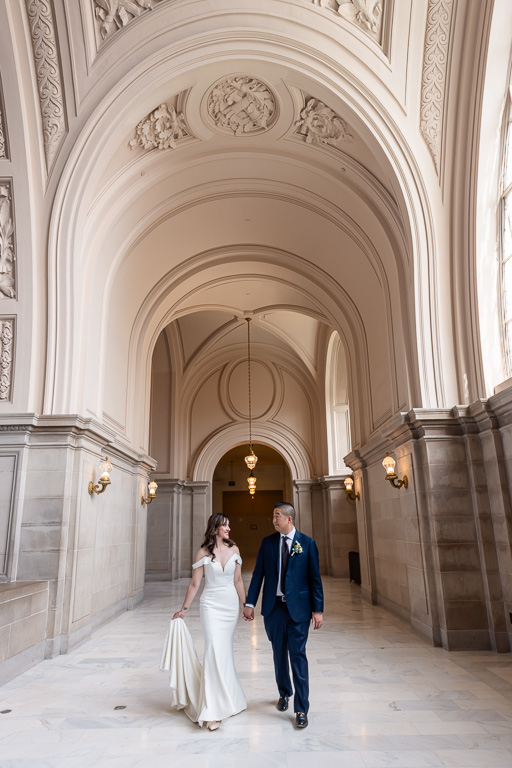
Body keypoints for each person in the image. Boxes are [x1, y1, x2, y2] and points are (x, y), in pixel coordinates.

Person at [243, 502, 323, 729]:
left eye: (277, 516)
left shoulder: (307, 543)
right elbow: (258, 574)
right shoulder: (267, 543)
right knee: (279, 653)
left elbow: (314, 579)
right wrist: (250, 602)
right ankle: (284, 693)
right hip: (274, 609)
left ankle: (301, 709)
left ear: (289, 519)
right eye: (273, 516)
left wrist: (318, 610)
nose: (273, 520)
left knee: (297, 655)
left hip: (299, 610)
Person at [169, 513, 247, 731]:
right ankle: (212, 710)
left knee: (224, 652)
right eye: (225, 525)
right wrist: (184, 610)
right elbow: (195, 584)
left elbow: (238, 580)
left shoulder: (235, 549)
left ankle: (230, 698)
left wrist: (246, 605)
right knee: (213, 649)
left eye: (229, 525)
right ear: (215, 529)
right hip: (211, 605)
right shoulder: (202, 552)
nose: (229, 529)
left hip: (230, 606)